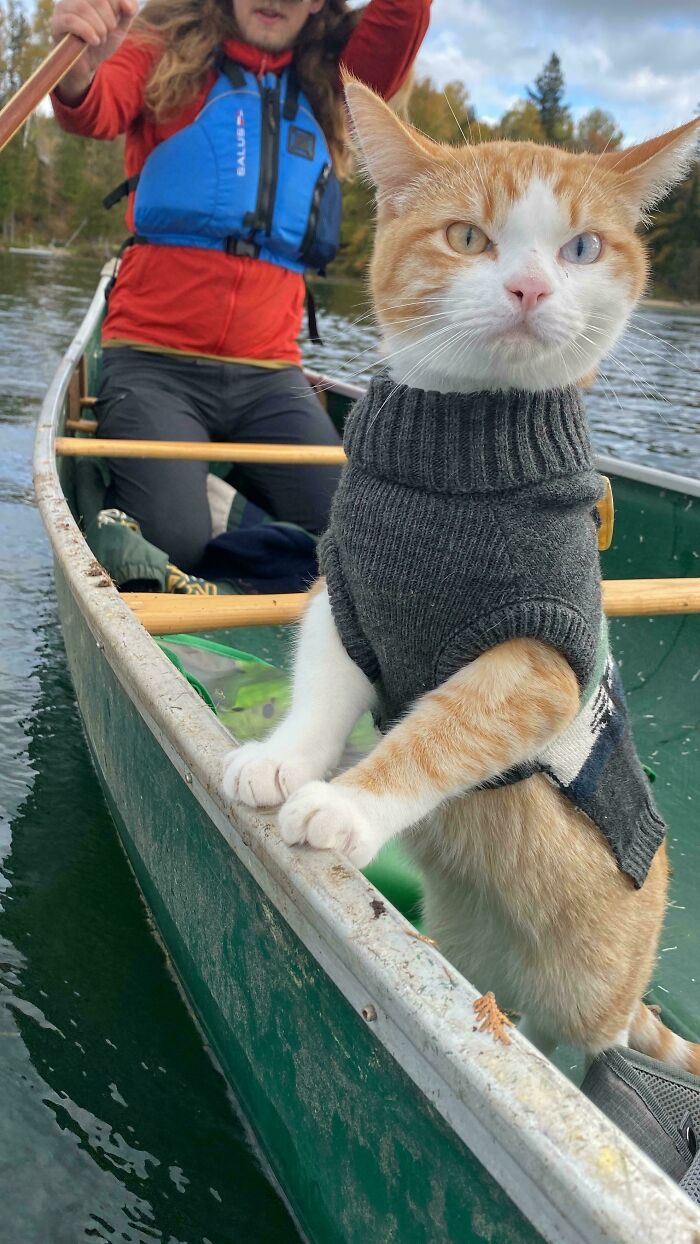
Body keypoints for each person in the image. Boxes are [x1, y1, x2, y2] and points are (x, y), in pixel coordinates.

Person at [50, 0, 431, 573]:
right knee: (173, 547)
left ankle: (228, 512)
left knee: (363, 538)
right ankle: (197, 510)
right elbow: (92, 107)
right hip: (155, 363)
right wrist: (78, 68)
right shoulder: (163, 44)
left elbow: (402, 15)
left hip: (269, 377)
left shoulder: (336, 81)